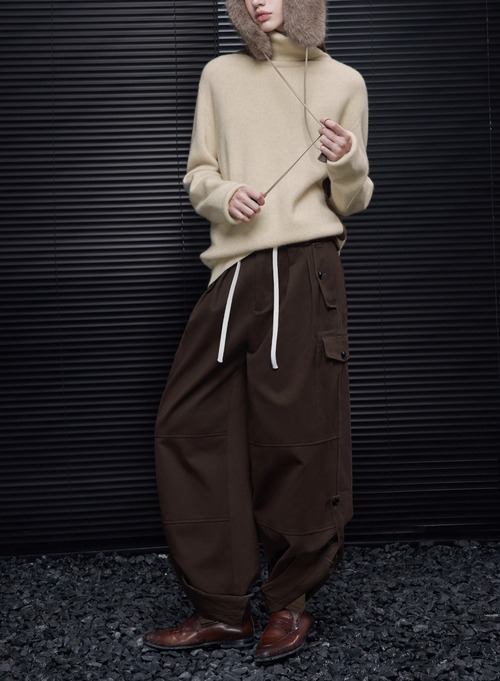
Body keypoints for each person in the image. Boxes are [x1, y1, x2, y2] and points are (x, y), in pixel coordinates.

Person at [142, 0, 373, 663]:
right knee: (189, 428)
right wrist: (225, 195)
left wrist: (347, 159)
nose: (255, 0)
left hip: (306, 271)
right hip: (235, 271)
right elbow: (199, 173)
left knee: (300, 437)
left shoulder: (345, 81)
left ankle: (289, 603)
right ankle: (221, 609)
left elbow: (353, 198)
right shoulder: (220, 74)